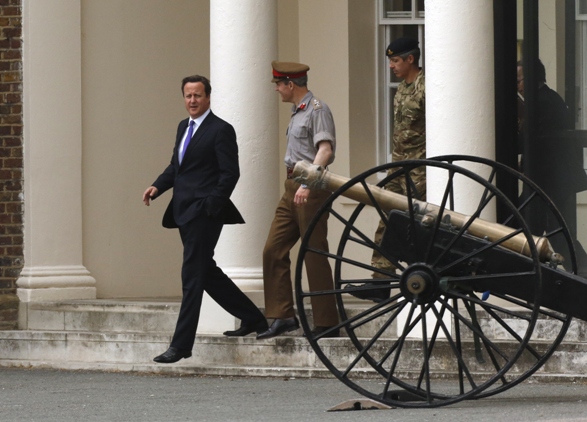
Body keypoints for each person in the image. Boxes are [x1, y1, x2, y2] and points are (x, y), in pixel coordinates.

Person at [142, 75, 267, 363]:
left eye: (198, 95)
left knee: (192, 275)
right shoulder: (183, 127)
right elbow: (177, 166)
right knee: (205, 272)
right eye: (188, 96)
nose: (193, 101)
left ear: (208, 97)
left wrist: (211, 205)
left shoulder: (221, 129)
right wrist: (157, 186)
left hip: (205, 213)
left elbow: (229, 173)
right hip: (183, 211)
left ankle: (181, 345)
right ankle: (254, 319)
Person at [257, 61, 340, 340]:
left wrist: (307, 182)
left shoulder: (317, 109)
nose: (278, 90)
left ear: (291, 84)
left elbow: (325, 150)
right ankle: (282, 315)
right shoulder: (298, 112)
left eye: (279, 84)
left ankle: (327, 322)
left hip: (310, 187)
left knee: (313, 252)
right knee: (273, 249)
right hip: (291, 186)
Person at [350, 37, 426, 302]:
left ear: (410, 59)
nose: (391, 66)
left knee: (414, 224)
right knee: (387, 219)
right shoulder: (402, 89)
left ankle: (421, 275)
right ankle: (381, 281)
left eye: (395, 61)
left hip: (419, 170)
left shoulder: (424, 88)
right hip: (399, 167)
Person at [516, 59, 587, 280]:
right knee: (537, 228)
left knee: (549, 231)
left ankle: (585, 274)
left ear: (532, 80)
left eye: (519, 80)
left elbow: (535, 141)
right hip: (548, 178)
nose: (517, 86)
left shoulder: (542, 102)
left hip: (549, 179)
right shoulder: (547, 99)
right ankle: (583, 273)